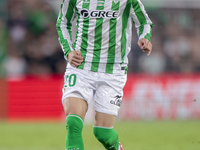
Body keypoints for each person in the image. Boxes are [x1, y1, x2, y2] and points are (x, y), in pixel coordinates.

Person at [56, 0, 153, 149]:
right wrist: (68, 51)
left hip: (113, 70)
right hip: (81, 66)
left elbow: (144, 22)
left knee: (102, 133)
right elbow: (63, 22)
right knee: (73, 123)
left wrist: (144, 37)